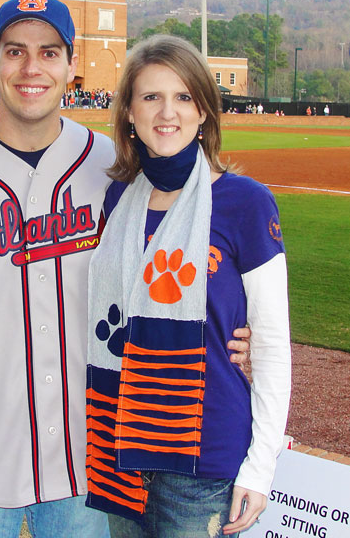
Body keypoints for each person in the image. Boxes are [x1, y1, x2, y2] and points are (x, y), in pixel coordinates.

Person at [0, 0, 251, 538]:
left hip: (90, 460)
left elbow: (183, 264)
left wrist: (240, 341)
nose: (32, 69)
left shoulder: (116, 169)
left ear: (71, 67)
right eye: (15, 52)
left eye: (49, 53)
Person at [85, 35, 291, 538]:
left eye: (182, 97)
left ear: (204, 111)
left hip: (204, 458)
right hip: (119, 445)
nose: (166, 112)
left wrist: (260, 469)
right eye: (150, 96)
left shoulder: (246, 203)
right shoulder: (115, 199)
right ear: (129, 112)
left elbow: (270, 346)